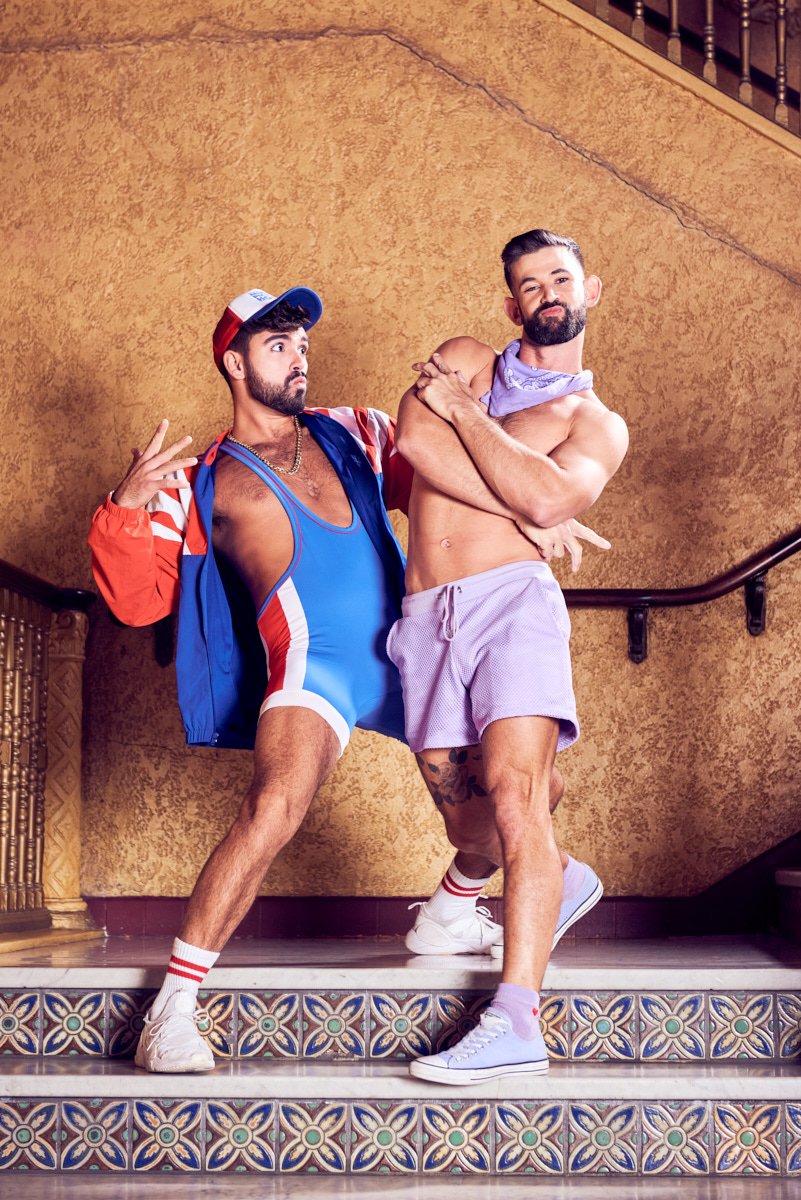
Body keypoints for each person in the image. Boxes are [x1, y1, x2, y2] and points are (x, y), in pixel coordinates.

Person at [88, 284, 601, 1073]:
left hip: (410, 648)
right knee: (273, 806)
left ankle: (456, 909)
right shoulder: (197, 482)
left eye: (300, 345)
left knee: (513, 807)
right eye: (276, 346)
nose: (298, 360)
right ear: (233, 361)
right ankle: (173, 1011)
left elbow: (455, 473)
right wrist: (125, 506)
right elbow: (135, 600)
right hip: (312, 664)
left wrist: (540, 507)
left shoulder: (357, 432)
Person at [390, 228, 629, 1082]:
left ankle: (518, 1018)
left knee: (520, 799)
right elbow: (413, 446)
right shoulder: (464, 355)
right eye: (528, 286)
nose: (545, 294)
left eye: (559, 279)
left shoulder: (594, 422)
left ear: (588, 290)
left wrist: (463, 418)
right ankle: (546, 880)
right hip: (425, 611)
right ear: (509, 305)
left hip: (514, 607)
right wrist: (525, 505)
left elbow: (547, 489)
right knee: (464, 807)